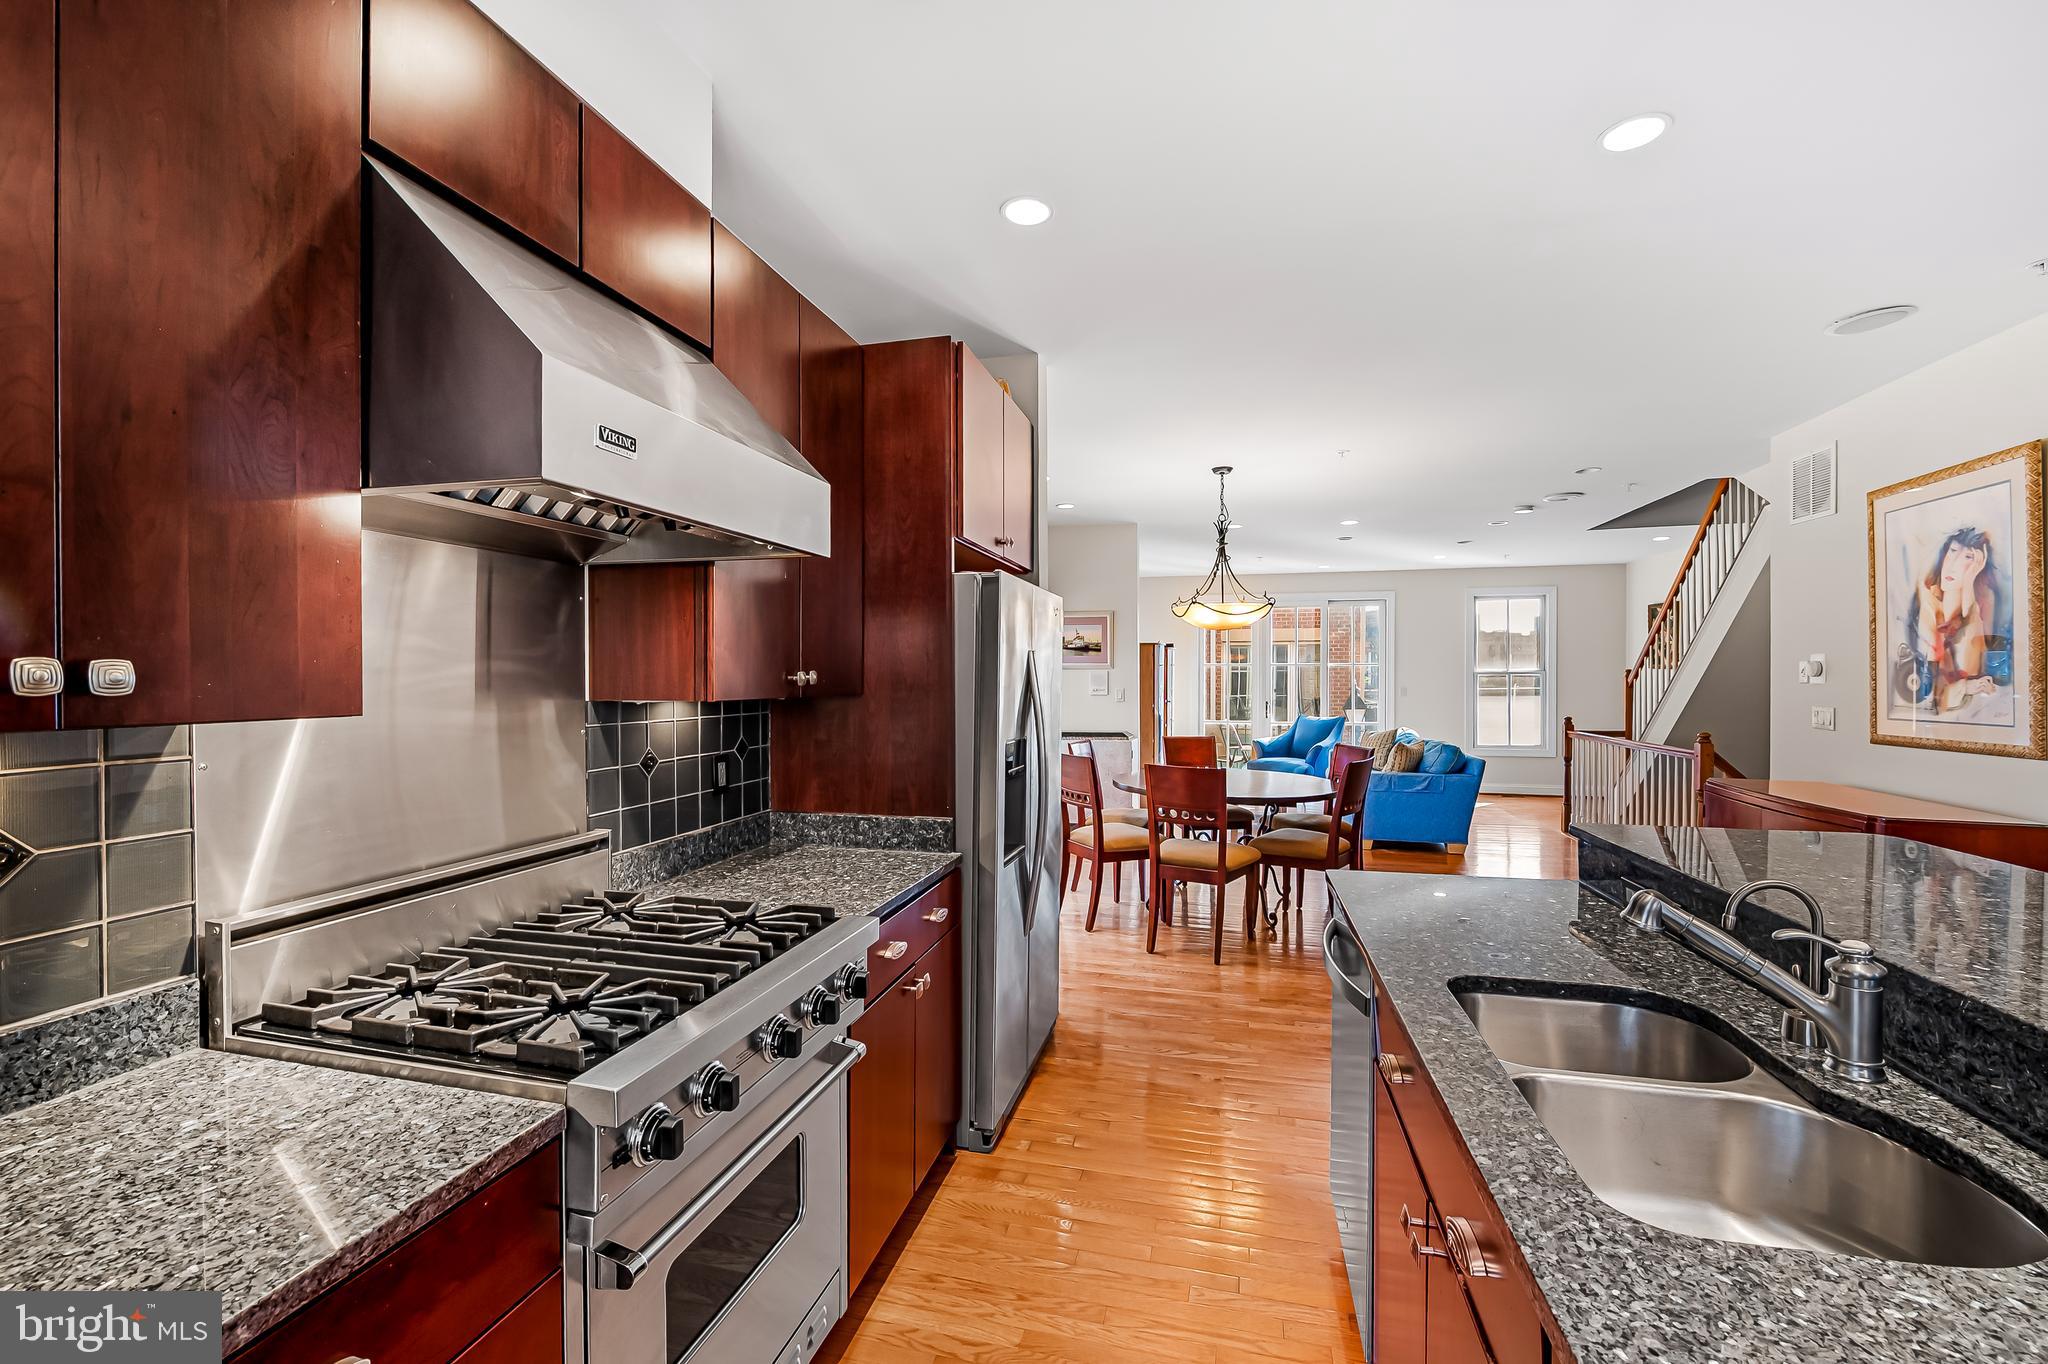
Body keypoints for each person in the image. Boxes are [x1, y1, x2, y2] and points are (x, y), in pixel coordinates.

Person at [1905, 527, 2001, 712]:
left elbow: (1974, 669)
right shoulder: (1927, 600)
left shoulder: (1981, 605)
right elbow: (1926, 695)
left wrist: (1968, 583)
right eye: (1953, 551)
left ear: (1980, 566)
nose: (1953, 564)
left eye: (1968, 557)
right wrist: (1964, 688)